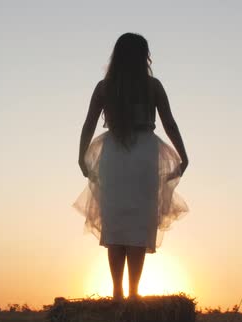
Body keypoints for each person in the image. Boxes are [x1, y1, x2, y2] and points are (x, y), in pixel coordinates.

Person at [73, 33, 189, 301]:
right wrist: (183, 155)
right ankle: (133, 292)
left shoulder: (105, 87)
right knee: (137, 223)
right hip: (144, 155)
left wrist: (81, 155)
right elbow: (169, 123)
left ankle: (117, 291)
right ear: (143, 56)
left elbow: (88, 124)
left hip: (113, 155)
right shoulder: (153, 86)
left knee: (115, 224)